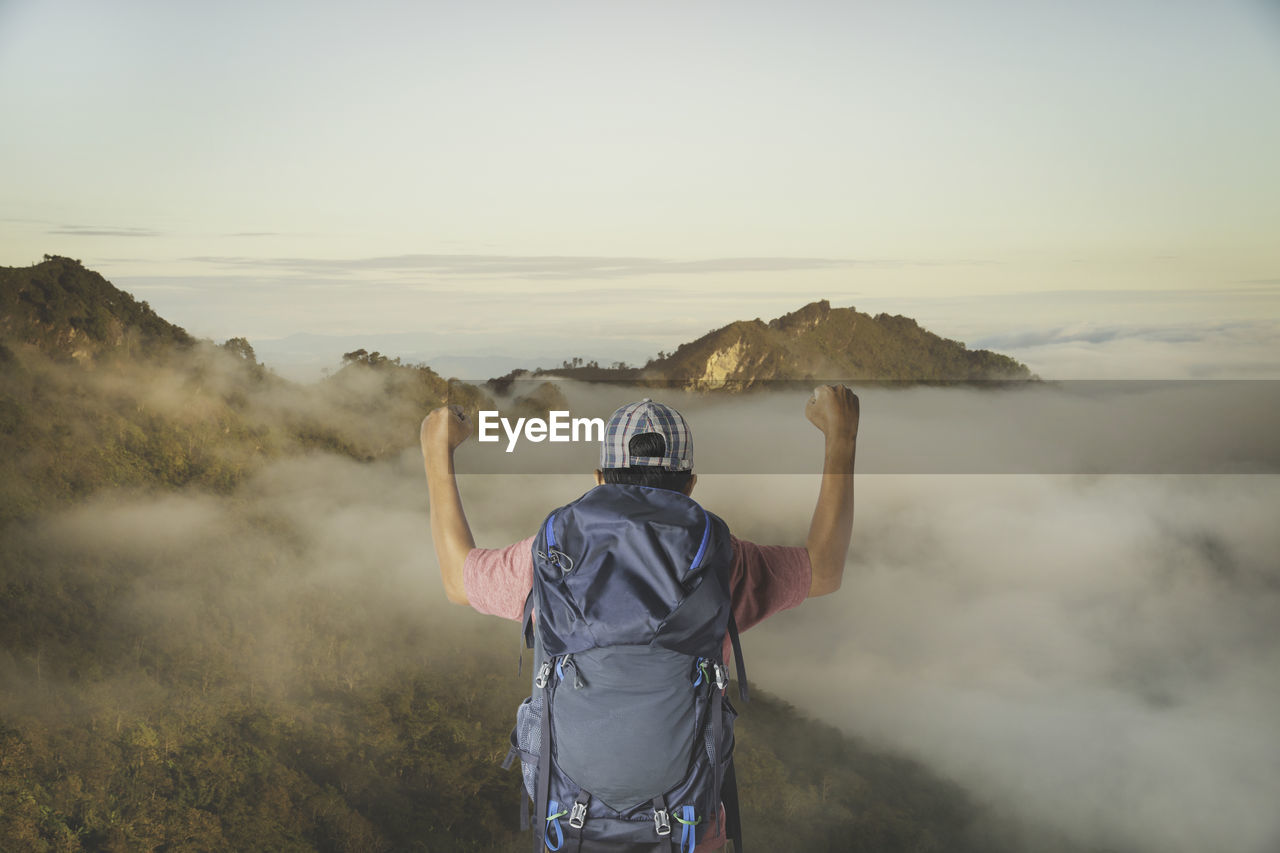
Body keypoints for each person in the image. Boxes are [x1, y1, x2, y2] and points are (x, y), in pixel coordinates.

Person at [420, 385, 860, 851]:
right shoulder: (724, 561)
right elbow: (824, 569)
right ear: (690, 484)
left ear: (599, 478)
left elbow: (456, 578)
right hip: (686, 833)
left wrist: (435, 451)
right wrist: (842, 437)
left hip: (571, 829)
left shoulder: (546, 557)